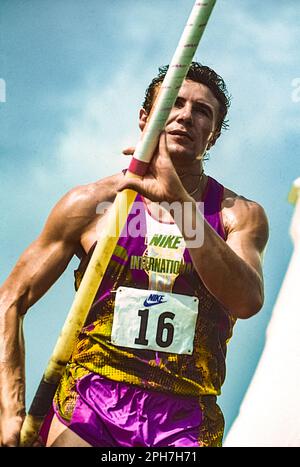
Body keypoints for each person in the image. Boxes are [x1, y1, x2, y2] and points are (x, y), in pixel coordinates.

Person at [0, 62, 269, 447]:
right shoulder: (92, 205)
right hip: (92, 401)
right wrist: (10, 411)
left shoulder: (237, 215)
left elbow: (246, 300)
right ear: (145, 119)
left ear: (213, 137)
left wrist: (179, 203)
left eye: (202, 111)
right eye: (173, 104)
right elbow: (10, 299)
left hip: (185, 418)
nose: (185, 116)